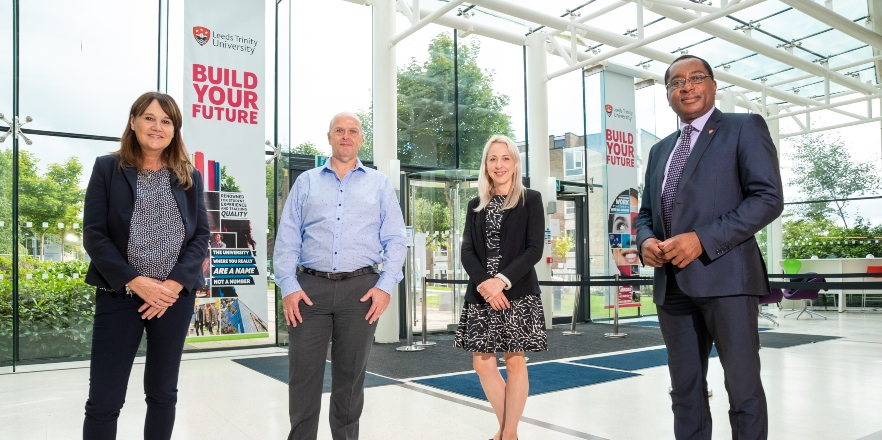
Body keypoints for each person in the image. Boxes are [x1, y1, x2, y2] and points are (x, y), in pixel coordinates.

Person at [635, 55, 783, 440]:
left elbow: (767, 198)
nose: (686, 86)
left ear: (713, 86)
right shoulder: (659, 150)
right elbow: (646, 213)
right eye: (676, 82)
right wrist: (645, 240)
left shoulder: (743, 127)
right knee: (685, 392)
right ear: (668, 95)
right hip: (672, 287)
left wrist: (702, 239)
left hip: (728, 280)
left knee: (743, 389)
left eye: (696, 77)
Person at [82, 91, 210, 439]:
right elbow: (94, 235)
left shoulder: (189, 175)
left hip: (172, 299)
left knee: (163, 393)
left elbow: (200, 236)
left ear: (175, 130)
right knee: (104, 399)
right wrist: (136, 282)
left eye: (166, 121)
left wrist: (172, 286)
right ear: (133, 122)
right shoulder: (108, 168)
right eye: (150, 118)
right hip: (119, 295)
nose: (157, 126)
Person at [274, 112, 406, 440]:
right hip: (309, 292)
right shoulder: (306, 182)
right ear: (329, 136)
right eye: (339, 130)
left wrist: (385, 285)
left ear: (361, 139)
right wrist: (288, 286)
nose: (345, 136)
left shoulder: (379, 184)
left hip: (362, 291)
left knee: (350, 382)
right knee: (303, 378)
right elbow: (287, 238)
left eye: (352, 131)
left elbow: (395, 239)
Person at [455, 134, 546, 440]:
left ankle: (507, 433)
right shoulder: (475, 205)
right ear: (486, 165)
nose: (499, 164)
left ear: (515, 162)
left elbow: (534, 249)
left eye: (505, 158)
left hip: (516, 292)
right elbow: (466, 252)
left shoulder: (530, 199)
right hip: (482, 294)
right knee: (482, 364)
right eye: (492, 158)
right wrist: (485, 284)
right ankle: (509, 431)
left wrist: (501, 282)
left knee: (515, 360)